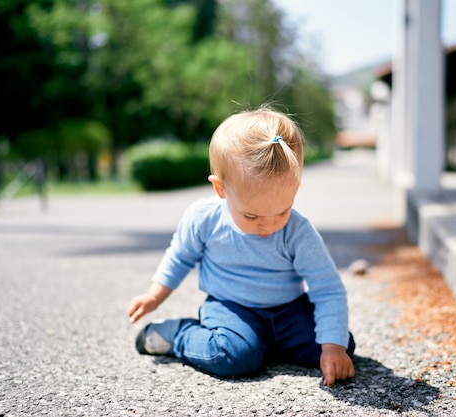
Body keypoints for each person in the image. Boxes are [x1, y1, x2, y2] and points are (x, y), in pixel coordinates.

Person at [128, 106, 355, 387]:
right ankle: (178, 334)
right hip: (230, 307)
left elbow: (326, 287)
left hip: (288, 310)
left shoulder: (297, 230)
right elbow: (180, 257)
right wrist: (155, 295)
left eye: (283, 210)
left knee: (341, 343)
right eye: (252, 215)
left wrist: (333, 348)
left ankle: (261, 343)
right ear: (221, 189)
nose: (268, 225)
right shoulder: (204, 219)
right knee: (234, 357)